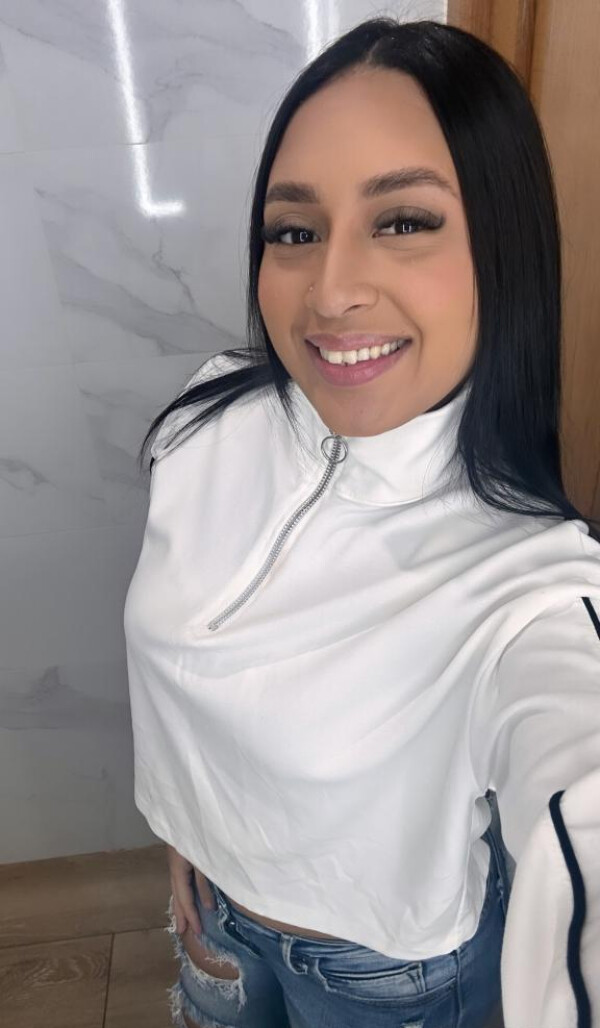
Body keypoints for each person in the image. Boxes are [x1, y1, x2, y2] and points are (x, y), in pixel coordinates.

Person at [123, 17, 600, 1028]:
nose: (332, 291)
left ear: (502, 246)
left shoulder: (534, 588)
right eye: (294, 232)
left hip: (389, 979)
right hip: (211, 912)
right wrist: (189, 832)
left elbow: (580, 792)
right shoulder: (205, 424)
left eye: (404, 221)